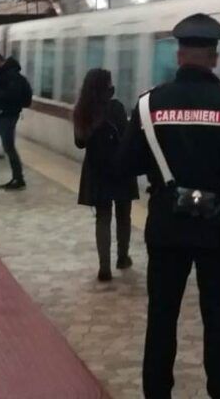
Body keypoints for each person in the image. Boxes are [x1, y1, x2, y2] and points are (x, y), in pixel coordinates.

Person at [117, 14, 220, 399]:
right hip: (218, 231)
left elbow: (126, 165)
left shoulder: (149, 105)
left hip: (166, 228)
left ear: (179, 54)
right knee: (217, 321)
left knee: (161, 320)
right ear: (215, 57)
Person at [73, 69, 138, 282]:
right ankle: (122, 257)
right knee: (123, 216)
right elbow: (126, 136)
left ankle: (104, 268)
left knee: (102, 217)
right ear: (106, 86)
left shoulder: (83, 110)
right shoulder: (116, 107)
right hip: (120, 168)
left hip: (95, 169)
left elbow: (80, 143)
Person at [0, 51, 32, 191]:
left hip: (8, 114)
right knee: (8, 147)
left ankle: (19, 178)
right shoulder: (3, 73)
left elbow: (12, 95)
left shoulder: (10, 75)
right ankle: (16, 177)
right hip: (4, 113)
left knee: (9, 147)